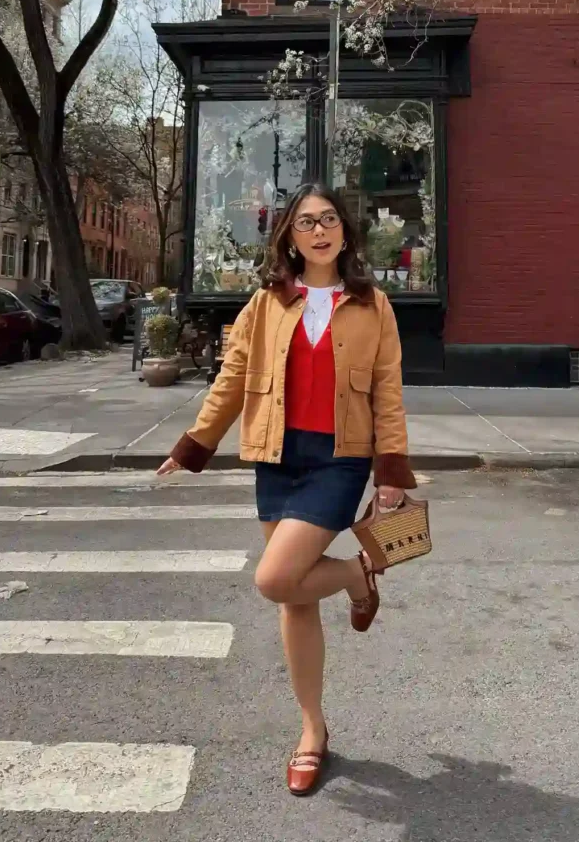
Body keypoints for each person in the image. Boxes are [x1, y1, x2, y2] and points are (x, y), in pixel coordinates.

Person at [157, 183, 416, 796]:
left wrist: (392, 475)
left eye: (329, 220)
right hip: (276, 457)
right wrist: (194, 444)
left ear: (345, 232)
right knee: (293, 598)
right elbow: (233, 378)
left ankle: (357, 577)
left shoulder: (373, 303)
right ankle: (311, 730)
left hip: (338, 459)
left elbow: (388, 391)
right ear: (289, 237)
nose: (319, 231)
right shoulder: (266, 302)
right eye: (306, 222)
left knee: (275, 577)